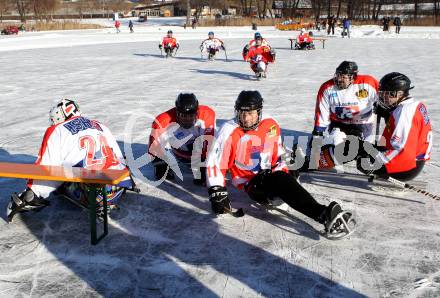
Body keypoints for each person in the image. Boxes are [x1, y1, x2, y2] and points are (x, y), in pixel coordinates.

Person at [206, 90, 355, 238]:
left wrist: (286, 166)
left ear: (259, 112)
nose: (245, 118)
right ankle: (323, 214)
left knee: (295, 163)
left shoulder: (270, 124)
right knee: (280, 179)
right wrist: (216, 189)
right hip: (254, 183)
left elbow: (277, 151)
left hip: (274, 172)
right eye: (242, 113)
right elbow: (215, 163)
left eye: (250, 113)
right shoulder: (229, 131)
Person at [7, 99, 132, 222]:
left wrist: (32, 193)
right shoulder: (100, 125)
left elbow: (47, 167)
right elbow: (119, 156)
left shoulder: (57, 130)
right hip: (117, 187)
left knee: (63, 170)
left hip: (91, 194)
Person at [292, 72, 433, 182]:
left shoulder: (404, 113)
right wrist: (388, 113)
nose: (382, 98)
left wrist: (375, 164)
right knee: (359, 146)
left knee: (354, 146)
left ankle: (310, 163)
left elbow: (401, 150)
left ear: (398, 94)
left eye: (386, 94)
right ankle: (321, 158)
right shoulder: (413, 104)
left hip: (404, 167)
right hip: (414, 163)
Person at [148, 93, 215, 185]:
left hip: (201, 149)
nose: (187, 120)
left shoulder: (207, 114)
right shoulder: (162, 122)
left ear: (197, 112)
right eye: (183, 116)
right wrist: (160, 162)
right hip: (183, 154)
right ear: (176, 112)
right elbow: (153, 148)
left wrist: (205, 163)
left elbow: (209, 142)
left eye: (191, 116)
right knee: (161, 170)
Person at [314, 61, 379, 141]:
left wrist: (381, 106)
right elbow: (322, 111)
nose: (339, 79)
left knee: (359, 147)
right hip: (338, 123)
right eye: (338, 75)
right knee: (336, 143)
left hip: (362, 123)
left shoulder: (368, 82)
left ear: (352, 78)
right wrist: (318, 132)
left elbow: (382, 97)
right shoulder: (327, 87)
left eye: (343, 77)